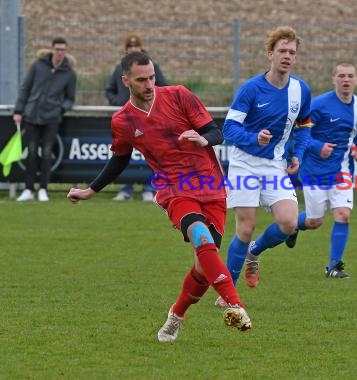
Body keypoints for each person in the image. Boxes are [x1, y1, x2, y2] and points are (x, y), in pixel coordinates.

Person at [67, 51, 251, 342]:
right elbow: (119, 159)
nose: (149, 84)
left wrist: (204, 139)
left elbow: (215, 131)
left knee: (204, 267)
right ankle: (235, 304)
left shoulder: (179, 95)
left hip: (210, 186)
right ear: (125, 80)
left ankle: (175, 315)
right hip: (174, 190)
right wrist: (92, 189)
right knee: (201, 237)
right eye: (141, 80)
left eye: (152, 77)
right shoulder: (123, 120)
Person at [218, 26, 312, 306]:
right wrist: (253, 138)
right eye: (282, 51)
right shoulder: (250, 89)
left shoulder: (300, 90)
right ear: (270, 54)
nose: (287, 56)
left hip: (274, 165)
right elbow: (228, 128)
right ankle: (228, 295)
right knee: (244, 229)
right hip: (244, 164)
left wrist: (298, 153)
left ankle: (254, 253)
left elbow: (305, 124)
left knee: (288, 222)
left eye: (292, 52)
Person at [285, 62, 357, 278]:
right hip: (314, 170)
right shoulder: (319, 105)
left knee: (343, 214)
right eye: (341, 75)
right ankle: (295, 225)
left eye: (350, 76)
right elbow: (298, 132)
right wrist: (317, 147)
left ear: (356, 79)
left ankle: (333, 266)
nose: (346, 80)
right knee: (315, 221)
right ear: (333, 79)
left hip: (342, 171)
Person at [105, 33, 167, 202]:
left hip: (148, 119)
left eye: (135, 46)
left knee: (151, 155)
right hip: (127, 121)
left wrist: (153, 105)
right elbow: (109, 89)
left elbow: (163, 88)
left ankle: (150, 189)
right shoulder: (120, 69)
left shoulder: (151, 67)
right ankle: (126, 189)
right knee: (123, 155)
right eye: (129, 47)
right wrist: (116, 101)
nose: (133, 49)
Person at [13, 37, 77, 202]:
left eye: (63, 49)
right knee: (32, 153)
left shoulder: (69, 73)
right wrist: (19, 110)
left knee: (47, 154)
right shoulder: (37, 65)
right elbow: (25, 88)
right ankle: (28, 189)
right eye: (57, 49)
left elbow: (70, 98)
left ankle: (43, 189)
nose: (60, 52)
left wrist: (60, 108)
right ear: (52, 49)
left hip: (51, 119)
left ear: (66, 51)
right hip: (31, 116)